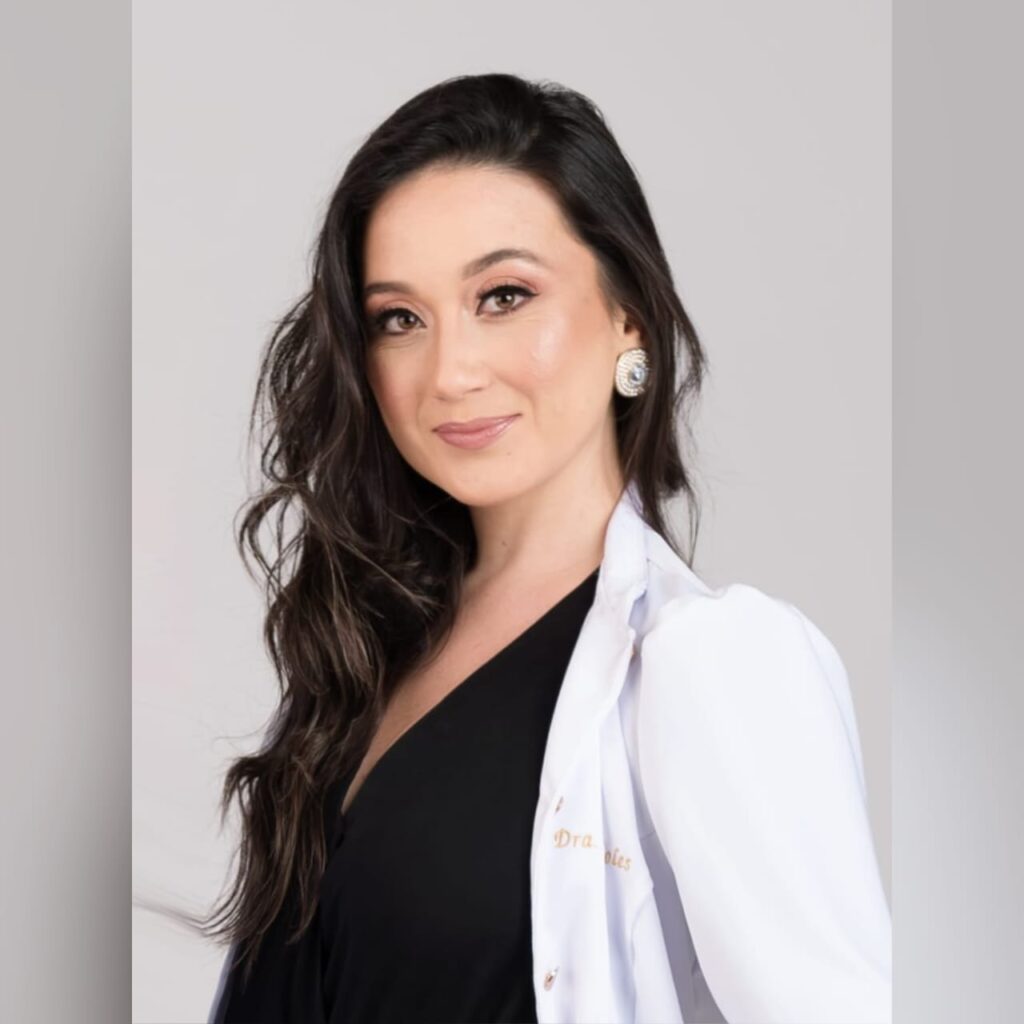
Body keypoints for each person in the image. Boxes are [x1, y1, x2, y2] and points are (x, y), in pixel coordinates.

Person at [203, 72, 891, 1023]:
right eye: (400, 318)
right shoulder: (359, 656)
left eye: (504, 296)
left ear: (628, 316)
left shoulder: (707, 663)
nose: (450, 372)